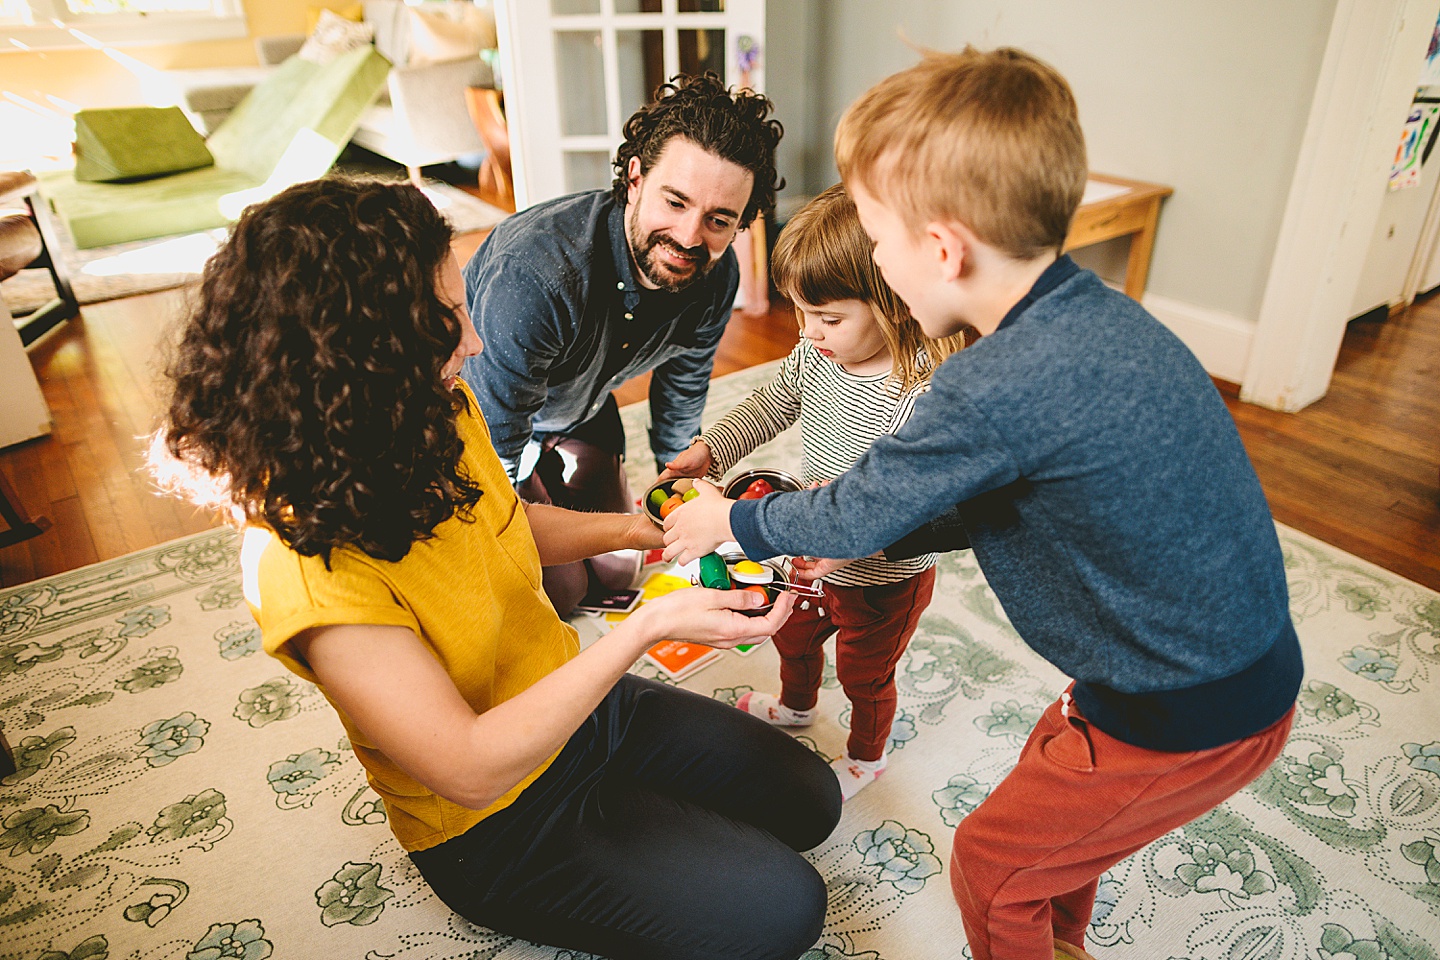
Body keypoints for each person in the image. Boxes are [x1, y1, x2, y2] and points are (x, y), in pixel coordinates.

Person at [661, 47, 1301, 960]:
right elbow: (988, 506)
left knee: (993, 868)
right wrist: (873, 524)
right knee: (1049, 854)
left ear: (942, 249)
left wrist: (726, 518)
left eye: (878, 240)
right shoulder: (1096, 317)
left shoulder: (989, 386)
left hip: (1183, 706)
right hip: (1199, 665)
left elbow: (851, 516)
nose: (877, 262)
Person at [150, 177, 841, 960]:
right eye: (446, 319)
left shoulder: (433, 411)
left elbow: (507, 528)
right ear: (358, 348)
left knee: (810, 802)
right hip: (496, 821)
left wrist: (639, 528)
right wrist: (644, 627)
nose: (473, 341)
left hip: (568, 709)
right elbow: (470, 770)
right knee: (787, 910)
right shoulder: (305, 567)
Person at [658, 184, 964, 800]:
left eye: (828, 318)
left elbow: (907, 510)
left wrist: (845, 550)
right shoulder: (816, 354)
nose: (809, 331)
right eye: (799, 312)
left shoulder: (920, 398)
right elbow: (773, 403)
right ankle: (796, 708)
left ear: (896, 304)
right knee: (791, 638)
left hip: (882, 579)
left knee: (863, 674)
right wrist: (713, 448)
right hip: (807, 553)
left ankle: (866, 756)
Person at [460, 72, 784, 617]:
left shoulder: (717, 275)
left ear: (740, 223)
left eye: (718, 219)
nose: (688, 237)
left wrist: (678, 486)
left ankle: (563, 477)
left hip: (579, 406)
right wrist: (512, 521)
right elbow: (493, 443)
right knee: (560, 592)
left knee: (621, 566)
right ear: (635, 177)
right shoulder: (538, 275)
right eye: (675, 202)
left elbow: (682, 388)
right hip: (487, 424)